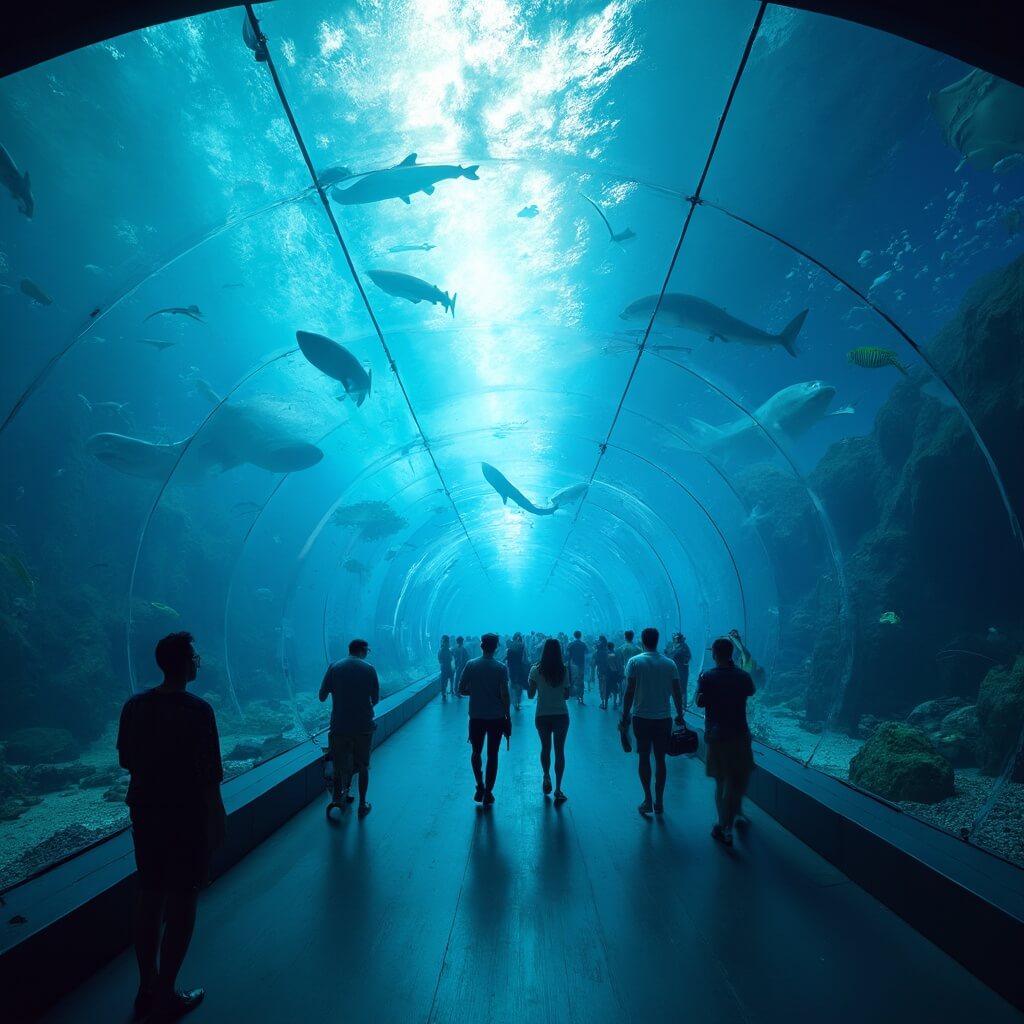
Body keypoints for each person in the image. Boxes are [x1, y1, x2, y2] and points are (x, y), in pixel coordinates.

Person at [117, 631, 224, 1022]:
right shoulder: (198, 711)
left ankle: (145, 986)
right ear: (182, 663)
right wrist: (217, 817)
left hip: (145, 813)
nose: (199, 662)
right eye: (195, 657)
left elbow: (126, 760)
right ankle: (167, 991)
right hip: (187, 816)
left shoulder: (133, 706)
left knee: (149, 895)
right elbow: (209, 773)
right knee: (183, 899)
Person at [696, 637, 756, 847]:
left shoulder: (708, 676)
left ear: (714, 654)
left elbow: (699, 701)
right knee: (736, 779)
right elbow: (751, 691)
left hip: (717, 735)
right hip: (740, 733)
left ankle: (724, 827)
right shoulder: (742, 676)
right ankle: (733, 818)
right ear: (731, 653)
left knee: (721, 782)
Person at [620, 627, 683, 816]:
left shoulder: (634, 662)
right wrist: (680, 713)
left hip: (641, 717)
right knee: (661, 759)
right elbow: (676, 691)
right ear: (657, 640)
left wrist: (625, 714)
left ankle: (647, 799)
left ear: (642, 640)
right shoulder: (669, 664)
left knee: (644, 757)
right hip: (663, 718)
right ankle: (660, 801)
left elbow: (629, 691)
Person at [319, 638, 380, 819]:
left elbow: (322, 696)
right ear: (362, 651)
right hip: (363, 726)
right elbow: (375, 699)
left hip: (339, 725)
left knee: (339, 764)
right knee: (363, 765)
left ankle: (338, 798)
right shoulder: (369, 669)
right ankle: (362, 804)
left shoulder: (334, 667)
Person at [459, 633, 511, 805]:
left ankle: (479, 784)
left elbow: (461, 688)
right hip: (496, 717)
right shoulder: (500, 668)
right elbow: (504, 694)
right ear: (496, 647)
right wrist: (508, 716)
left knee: (476, 752)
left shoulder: (471, 665)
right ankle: (488, 791)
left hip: (476, 716)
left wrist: (476, 693)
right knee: (493, 754)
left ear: (481, 646)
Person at [527, 638, 571, 803]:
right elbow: (566, 695)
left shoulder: (535, 670)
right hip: (561, 714)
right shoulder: (564, 670)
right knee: (560, 751)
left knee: (545, 748)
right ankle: (558, 788)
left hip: (542, 715)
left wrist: (531, 683)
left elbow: (530, 695)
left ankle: (546, 776)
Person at [616, 631, 641, 710]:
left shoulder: (620, 649)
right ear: (632, 637)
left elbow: (619, 663)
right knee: (635, 691)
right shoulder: (638, 649)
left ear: (625, 637)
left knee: (624, 691)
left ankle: (624, 708)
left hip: (625, 672)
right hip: (636, 673)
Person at [667, 632, 693, 706]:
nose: (674, 640)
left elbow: (688, 657)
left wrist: (684, 662)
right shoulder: (677, 647)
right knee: (675, 687)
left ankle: (683, 704)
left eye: (676, 638)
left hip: (682, 671)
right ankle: (676, 703)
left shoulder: (683, 647)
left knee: (683, 687)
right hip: (676, 670)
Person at [505, 631, 528, 711]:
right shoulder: (522, 646)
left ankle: (515, 702)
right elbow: (525, 659)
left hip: (511, 668)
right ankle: (517, 701)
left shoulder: (509, 647)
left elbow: (507, 660)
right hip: (520, 668)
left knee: (512, 684)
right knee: (519, 685)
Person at [566, 630, 587, 705]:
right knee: (581, 680)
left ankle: (576, 694)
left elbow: (568, 655)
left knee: (574, 680)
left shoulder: (571, 644)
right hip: (581, 664)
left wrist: (568, 664)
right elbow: (587, 653)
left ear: (574, 636)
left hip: (573, 664)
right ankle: (581, 697)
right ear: (580, 636)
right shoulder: (583, 644)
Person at [602, 640, 623, 710]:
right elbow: (619, 664)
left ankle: (605, 704)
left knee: (607, 688)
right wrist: (620, 672)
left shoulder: (606, 654)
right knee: (615, 688)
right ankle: (614, 703)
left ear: (607, 647)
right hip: (615, 673)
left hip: (608, 673)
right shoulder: (616, 654)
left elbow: (604, 664)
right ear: (613, 647)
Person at [591, 634, 609, 700]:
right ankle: (606, 696)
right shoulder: (607, 648)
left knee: (601, 682)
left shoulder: (598, 650)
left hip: (600, 668)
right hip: (607, 668)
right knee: (606, 683)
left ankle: (602, 698)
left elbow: (595, 661)